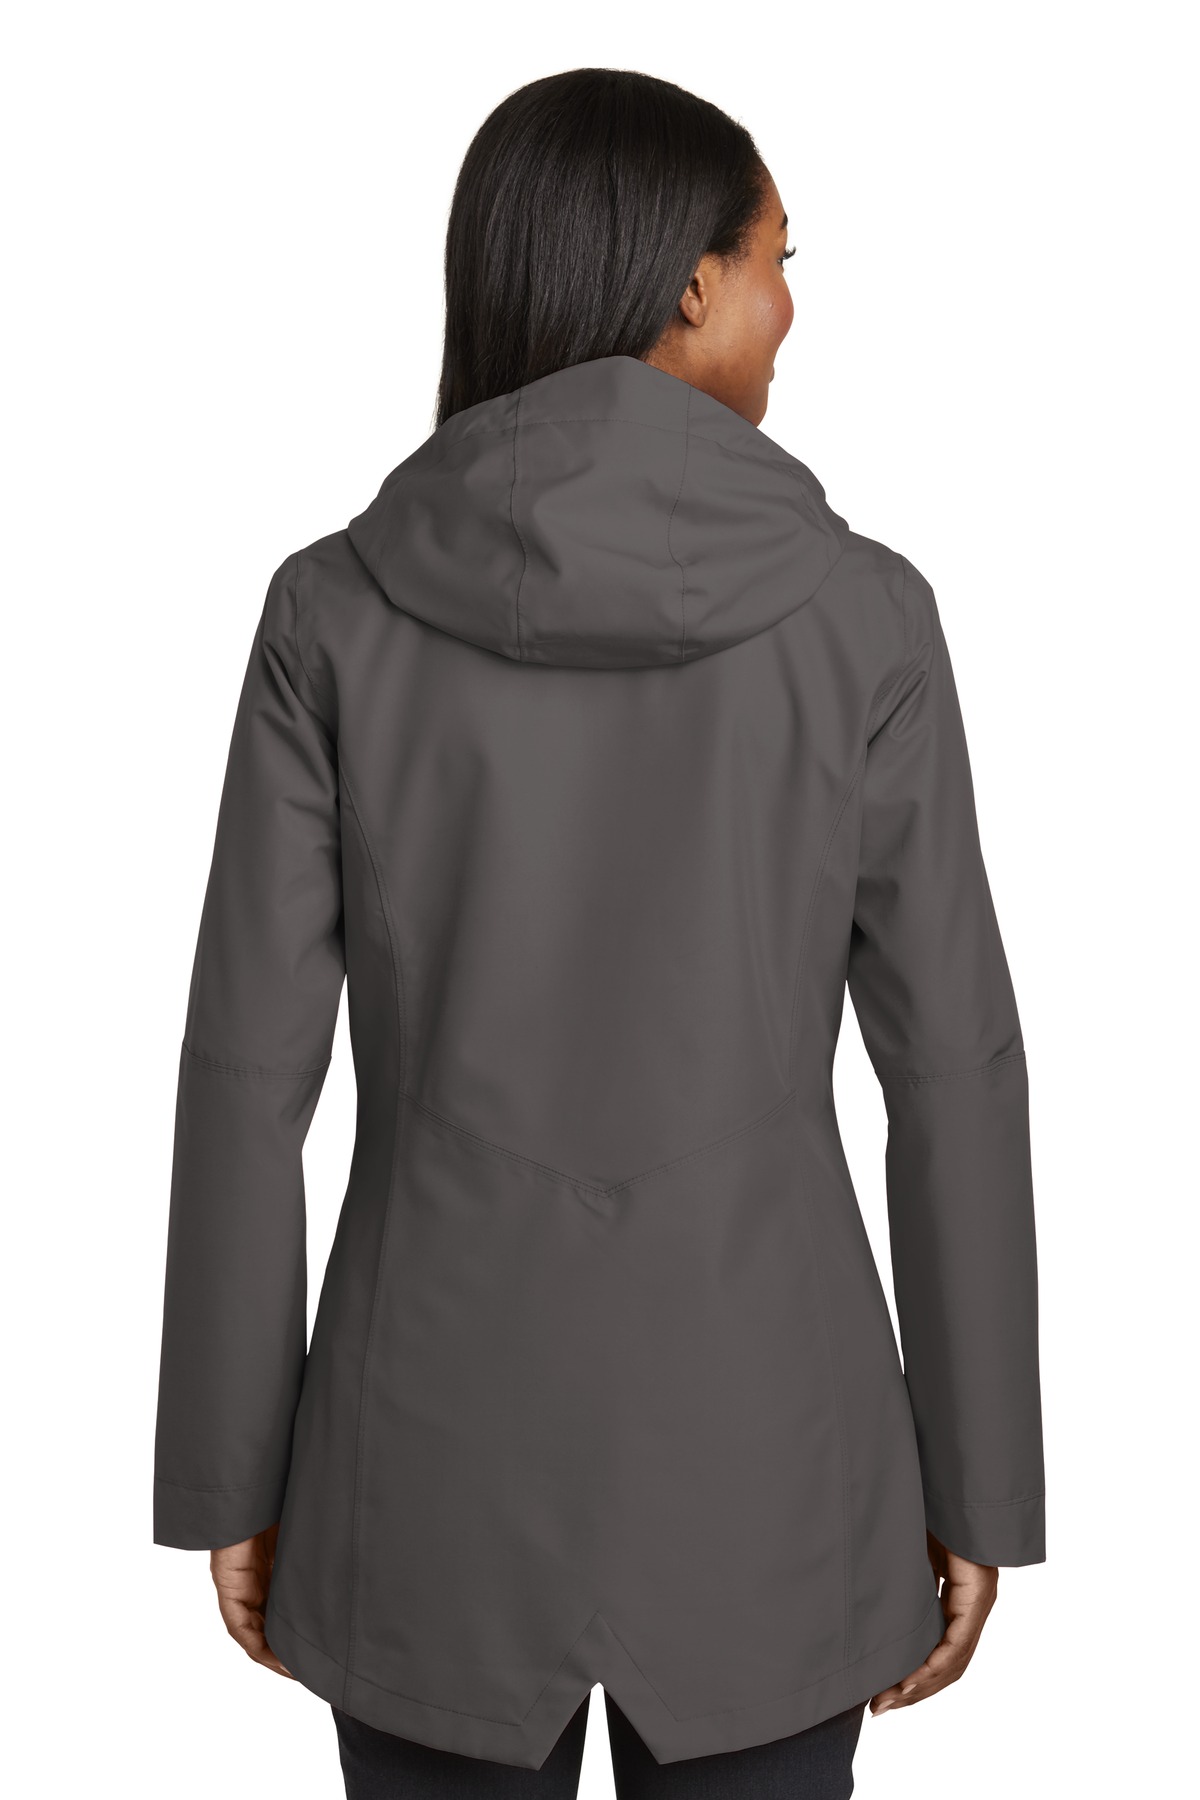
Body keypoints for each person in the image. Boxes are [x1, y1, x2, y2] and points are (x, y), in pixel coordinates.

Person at [153, 67, 1045, 1800]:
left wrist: (230, 1471)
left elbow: (245, 1073)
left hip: (421, 1472)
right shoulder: (865, 617)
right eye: (782, 260)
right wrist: (979, 1482)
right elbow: (956, 1072)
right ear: (693, 284)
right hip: (774, 1474)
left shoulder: (331, 612)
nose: (793, 310)